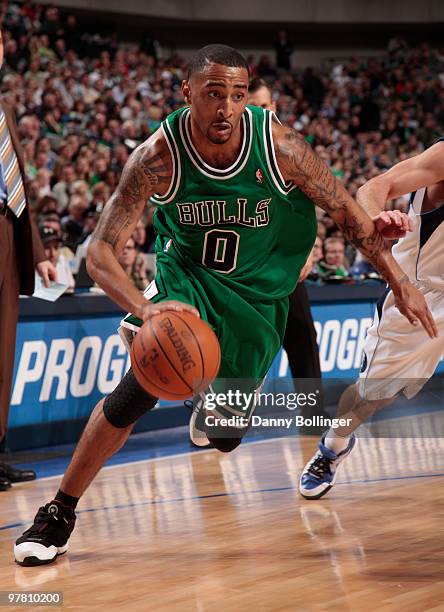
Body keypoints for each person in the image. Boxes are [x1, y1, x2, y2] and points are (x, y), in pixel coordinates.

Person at [14, 44, 435, 566]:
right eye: (214, 94)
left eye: (238, 95)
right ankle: (58, 513)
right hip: (187, 283)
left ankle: (208, 398)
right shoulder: (156, 158)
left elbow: (348, 214)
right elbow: (100, 252)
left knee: (227, 436)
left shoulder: (280, 146)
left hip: (259, 297)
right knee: (134, 393)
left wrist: (398, 280)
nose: (227, 108)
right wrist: (146, 312)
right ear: (187, 92)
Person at [299, 140, 444, 499]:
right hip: (420, 295)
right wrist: (374, 220)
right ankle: (333, 446)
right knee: (373, 394)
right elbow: (374, 187)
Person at [0, 28, 57, 490]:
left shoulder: (4, 107)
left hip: (8, 234)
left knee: (3, 354)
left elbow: (16, 179)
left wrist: (37, 254)